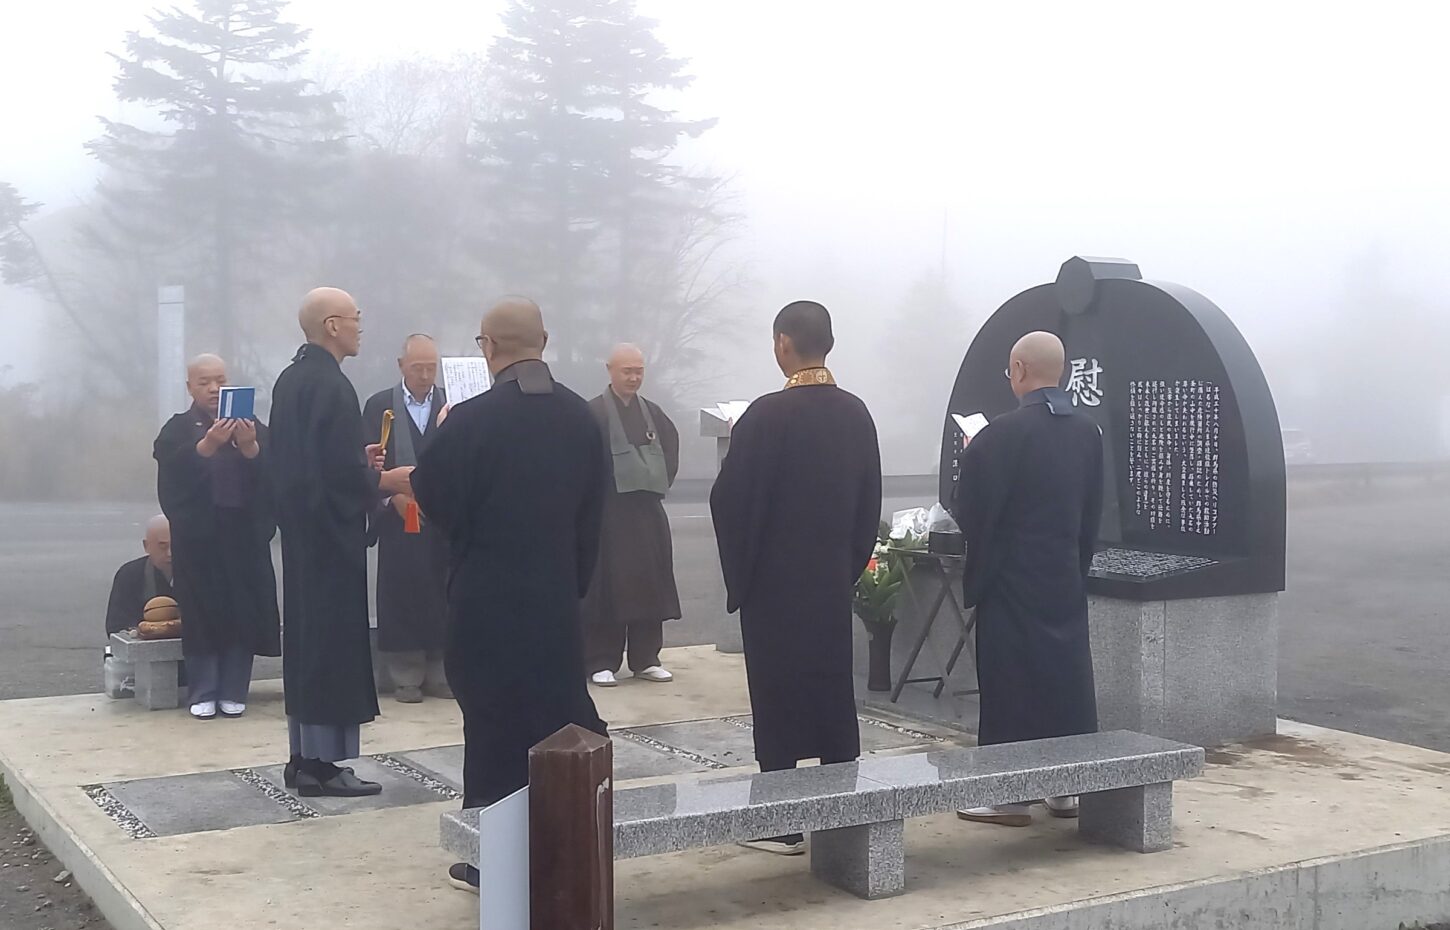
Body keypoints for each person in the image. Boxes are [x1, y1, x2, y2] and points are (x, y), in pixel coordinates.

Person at [411, 296, 609, 893]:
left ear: (488, 348)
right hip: (553, 601)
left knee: (494, 727)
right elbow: (593, 515)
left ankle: (490, 859)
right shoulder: (581, 418)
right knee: (556, 720)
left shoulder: (471, 420)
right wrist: (571, 583)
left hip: (487, 601)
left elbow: (436, 500)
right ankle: (563, 838)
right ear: (543, 342)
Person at [709, 300, 882, 856]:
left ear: (783, 343)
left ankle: (780, 821)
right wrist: (846, 565)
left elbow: (729, 501)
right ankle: (843, 809)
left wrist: (746, 572)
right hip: (830, 580)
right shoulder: (856, 413)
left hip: (774, 586)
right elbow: (868, 505)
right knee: (832, 686)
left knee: (778, 692)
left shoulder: (763, 417)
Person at [950, 330, 1104, 827]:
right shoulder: (1087, 433)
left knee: (1012, 684)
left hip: (1011, 579)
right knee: (1065, 680)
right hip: (1062, 574)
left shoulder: (1000, 435)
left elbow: (969, 510)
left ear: (1018, 370)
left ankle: (1007, 796)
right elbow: (1092, 513)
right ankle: (1065, 789)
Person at [269, 287, 414, 798]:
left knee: (308, 644)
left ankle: (302, 757)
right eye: (354, 318)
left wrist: (360, 462)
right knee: (330, 648)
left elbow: (304, 463)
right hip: (330, 541)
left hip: (304, 537)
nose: (359, 327)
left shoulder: (291, 379)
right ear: (331, 325)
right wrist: (382, 480)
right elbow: (330, 472)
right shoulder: (331, 385)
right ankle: (322, 764)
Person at [155, 354, 281, 720]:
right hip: (199, 538)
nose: (213, 389)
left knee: (241, 610)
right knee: (202, 612)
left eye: (219, 380)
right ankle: (204, 689)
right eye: (204, 382)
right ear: (190, 387)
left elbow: (272, 474)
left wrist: (250, 448)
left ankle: (233, 688)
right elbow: (171, 474)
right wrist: (205, 447)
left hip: (242, 535)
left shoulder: (250, 423)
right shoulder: (178, 428)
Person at [581, 343, 682, 687]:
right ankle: (601, 659)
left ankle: (646, 658)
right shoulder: (592, 413)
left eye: (639, 371)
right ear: (609, 370)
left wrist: (653, 482)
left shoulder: (653, 413)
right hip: (606, 514)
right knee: (605, 588)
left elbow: (670, 453)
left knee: (649, 584)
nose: (634, 377)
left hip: (646, 512)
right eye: (627, 371)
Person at [363, 334, 451, 703]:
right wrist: (390, 497)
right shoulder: (380, 405)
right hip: (399, 518)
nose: (425, 375)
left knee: (444, 592)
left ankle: (441, 672)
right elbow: (365, 464)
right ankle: (405, 676)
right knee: (403, 594)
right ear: (401, 366)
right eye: (418, 368)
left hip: (445, 518)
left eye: (431, 368)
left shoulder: (452, 403)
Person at [103, 515, 175, 696]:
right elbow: (115, 626)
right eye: (162, 546)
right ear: (146, 546)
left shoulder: (199, 574)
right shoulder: (129, 575)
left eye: (176, 545)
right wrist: (143, 631)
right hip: (143, 664)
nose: (170, 553)